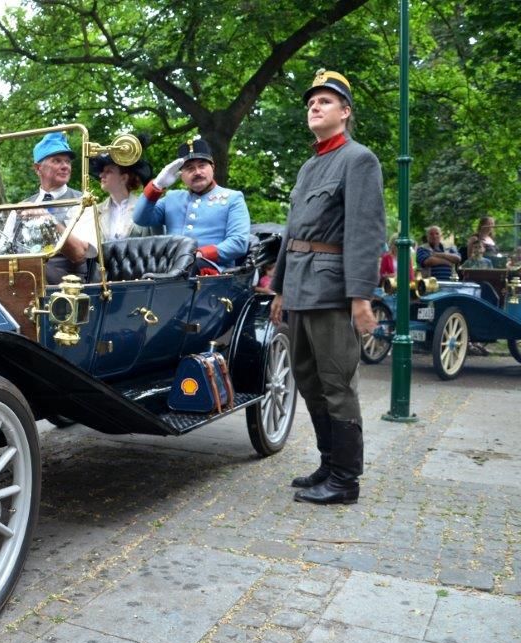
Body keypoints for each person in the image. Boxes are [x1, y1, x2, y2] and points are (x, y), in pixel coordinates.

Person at [269, 68, 385, 506]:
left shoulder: (359, 159)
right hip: (299, 289)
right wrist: (279, 288)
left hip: (334, 291)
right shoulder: (310, 165)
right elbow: (292, 232)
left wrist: (361, 297)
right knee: (309, 380)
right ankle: (328, 462)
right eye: (311, 103)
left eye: (324, 101)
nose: (314, 107)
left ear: (345, 111)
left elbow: (364, 232)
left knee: (337, 383)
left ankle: (345, 481)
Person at [133, 138, 250, 268]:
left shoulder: (233, 198)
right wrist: (157, 185)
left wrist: (200, 254)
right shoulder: (172, 198)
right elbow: (140, 218)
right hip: (170, 269)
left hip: (212, 272)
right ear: (181, 175)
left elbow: (238, 242)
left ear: (213, 168)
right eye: (189, 168)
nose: (197, 172)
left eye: (202, 165)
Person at [20, 131, 94, 284]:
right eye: (57, 161)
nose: (65, 166)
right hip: (24, 279)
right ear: (38, 168)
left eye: (67, 162)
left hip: (68, 288)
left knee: (30, 271)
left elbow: (79, 253)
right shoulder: (23, 206)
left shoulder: (82, 202)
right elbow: (0, 251)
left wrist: (47, 220)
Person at [89, 149, 154, 241]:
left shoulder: (144, 208)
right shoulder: (95, 212)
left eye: (108, 171)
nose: (101, 175)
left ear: (124, 178)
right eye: (103, 171)